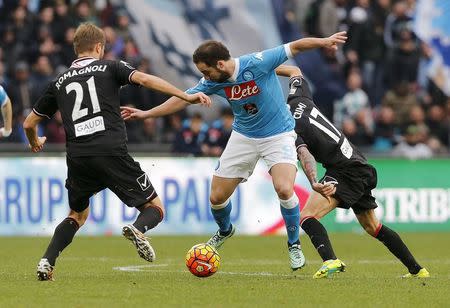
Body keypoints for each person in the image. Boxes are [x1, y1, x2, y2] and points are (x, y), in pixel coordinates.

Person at [121, 31, 347, 270]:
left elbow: (296, 46)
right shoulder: (213, 82)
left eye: (206, 71)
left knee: (284, 188)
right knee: (216, 198)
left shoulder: (258, 62)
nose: (205, 77)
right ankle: (225, 230)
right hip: (244, 136)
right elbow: (182, 98)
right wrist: (147, 113)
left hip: (278, 134)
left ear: (220, 64)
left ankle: (293, 244)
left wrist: (324, 42)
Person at [22, 23, 210, 281]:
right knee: (154, 207)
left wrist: (35, 142)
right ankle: (138, 228)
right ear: (99, 47)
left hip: (78, 156)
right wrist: (184, 96)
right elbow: (144, 79)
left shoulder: (59, 81)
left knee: (77, 214)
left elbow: (28, 123)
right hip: (110, 150)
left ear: (76, 49)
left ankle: (47, 261)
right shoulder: (110, 66)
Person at [275, 64, 429, 279]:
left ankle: (330, 260)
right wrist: (267, 68)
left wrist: (313, 181)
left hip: (344, 170)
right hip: (358, 163)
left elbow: (305, 155)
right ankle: (418, 270)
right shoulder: (298, 98)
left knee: (307, 216)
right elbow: (294, 70)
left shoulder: (288, 126)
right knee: (372, 226)